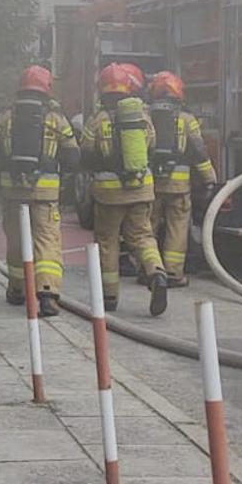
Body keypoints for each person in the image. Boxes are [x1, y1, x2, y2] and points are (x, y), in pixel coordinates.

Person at [0, 65, 80, 316]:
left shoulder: (5, 117)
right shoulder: (55, 118)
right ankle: (47, 294)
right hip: (44, 194)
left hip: (12, 192)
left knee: (15, 241)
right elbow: (73, 157)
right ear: (47, 89)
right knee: (46, 241)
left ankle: (17, 290)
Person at [83, 63, 169, 315]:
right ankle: (156, 274)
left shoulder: (97, 120)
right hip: (141, 188)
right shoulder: (142, 116)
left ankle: (109, 297)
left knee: (108, 241)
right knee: (142, 236)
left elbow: (85, 154)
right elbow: (152, 148)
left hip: (108, 194)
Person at [144, 71, 217, 287]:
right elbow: (199, 151)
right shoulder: (187, 120)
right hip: (179, 186)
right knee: (177, 228)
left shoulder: (145, 115)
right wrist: (209, 178)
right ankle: (174, 273)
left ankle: (149, 269)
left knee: (148, 227)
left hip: (152, 184)